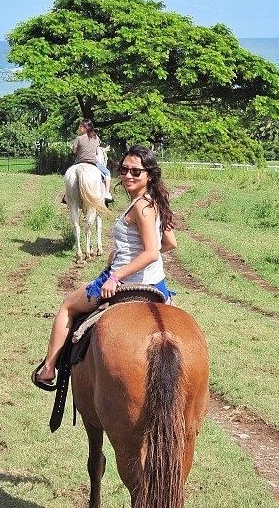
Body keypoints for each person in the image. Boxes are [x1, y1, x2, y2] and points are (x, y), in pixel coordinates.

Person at [34, 144, 177, 385]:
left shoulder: (141, 207)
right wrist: (125, 253)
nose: (128, 175)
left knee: (68, 305)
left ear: (149, 174)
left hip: (126, 283)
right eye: (124, 169)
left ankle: (48, 369)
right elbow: (170, 243)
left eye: (136, 171)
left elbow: (152, 252)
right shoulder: (155, 202)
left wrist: (115, 275)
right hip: (157, 285)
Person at [72, 119, 112, 201]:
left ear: (86, 128)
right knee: (107, 172)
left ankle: (67, 195)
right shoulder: (96, 138)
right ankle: (107, 193)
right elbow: (97, 152)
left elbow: (74, 151)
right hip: (93, 162)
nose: (79, 128)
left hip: (79, 162)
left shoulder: (78, 138)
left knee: (70, 175)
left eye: (81, 126)